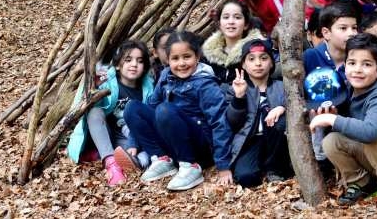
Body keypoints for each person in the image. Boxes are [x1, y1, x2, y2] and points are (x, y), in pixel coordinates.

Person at [310, 33, 377, 208]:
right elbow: (348, 129)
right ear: (345, 65)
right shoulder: (348, 89)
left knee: (375, 134)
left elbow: (370, 132)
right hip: (373, 154)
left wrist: (333, 118)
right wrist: (335, 113)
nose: (358, 69)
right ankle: (362, 183)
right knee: (331, 140)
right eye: (352, 63)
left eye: (367, 64)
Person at [123, 31, 233, 191]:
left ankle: (190, 166)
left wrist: (223, 165)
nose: (181, 63)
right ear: (167, 60)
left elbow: (220, 122)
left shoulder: (205, 84)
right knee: (133, 108)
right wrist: (133, 141)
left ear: (197, 56)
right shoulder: (166, 75)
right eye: (175, 58)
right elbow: (151, 107)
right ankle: (162, 159)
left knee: (164, 110)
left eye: (187, 57)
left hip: (199, 147)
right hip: (173, 140)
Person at [67, 40, 154, 186]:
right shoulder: (107, 81)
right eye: (128, 60)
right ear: (118, 65)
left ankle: (132, 162)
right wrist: (93, 87)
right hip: (105, 132)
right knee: (94, 112)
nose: (134, 64)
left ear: (144, 67)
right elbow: (80, 105)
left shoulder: (148, 88)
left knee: (143, 154)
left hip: (129, 137)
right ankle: (111, 162)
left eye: (139, 61)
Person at [225, 39, 292, 187]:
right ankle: (261, 166)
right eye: (251, 59)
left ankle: (275, 168)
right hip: (250, 140)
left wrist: (282, 107)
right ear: (243, 64)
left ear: (272, 63)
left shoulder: (282, 86)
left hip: (277, 140)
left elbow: (298, 106)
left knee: (279, 121)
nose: (258, 63)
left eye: (264, 58)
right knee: (246, 178)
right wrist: (239, 98)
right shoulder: (235, 89)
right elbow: (233, 123)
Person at [302, 2, 357, 176]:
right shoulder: (312, 56)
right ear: (326, 33)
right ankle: (321, 162)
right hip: (317, 112)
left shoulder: (358, 56)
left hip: (349, 113)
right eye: (343, 28)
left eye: (354, 28)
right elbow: (300, 89)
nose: (351, 33)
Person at [203, 0, 265, 85]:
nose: (231, 22)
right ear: (219, 24)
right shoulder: (208, 55)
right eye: (226, 17)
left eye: (237, 17)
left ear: (246, 24)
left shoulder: (258, 51)